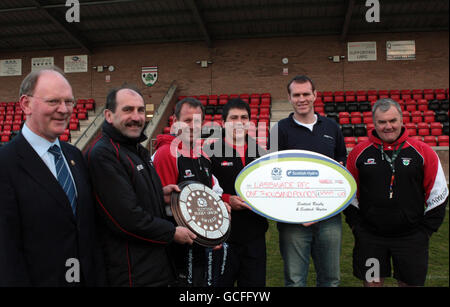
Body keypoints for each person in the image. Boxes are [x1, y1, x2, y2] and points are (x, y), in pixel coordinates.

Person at [0, 68, 105, 286]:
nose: (64, 110)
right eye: (53, 101)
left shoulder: (74, 155)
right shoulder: (6, 163)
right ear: (25, 104)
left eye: (69, 101)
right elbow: (6, 251)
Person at [85, 86, 196, 287]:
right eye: (128, 110)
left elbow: (130, 195)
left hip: (154, 266)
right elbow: (126, 218)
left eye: (141, 110)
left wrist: (158, 194)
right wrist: (171, 232)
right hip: (131, 273)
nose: (136, 117)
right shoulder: (103, 154)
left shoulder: (137, 150)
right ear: (109, 115)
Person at [344, 98, 448, 287]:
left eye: (392, 121)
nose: (388, 126)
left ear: (401, 120)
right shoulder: (358, 153)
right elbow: (349, 194)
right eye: (382, 122)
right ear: (373, 123)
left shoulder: (423, 151)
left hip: (411, 238)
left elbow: (439, 193)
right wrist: (357, 227)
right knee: (372, 283)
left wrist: (425, 231)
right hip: (371, 238)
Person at [272, 75, 347, 287]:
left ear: (315, 95)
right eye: (296, 95)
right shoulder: (280, 130)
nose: (302, 98)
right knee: (295, 281)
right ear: (289, 98)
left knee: (331, 280)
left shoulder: (331, 127)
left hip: (328, 216)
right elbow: (273, 174)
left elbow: (341, 158)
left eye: (306, 94)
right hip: (293, 220)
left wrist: (339, 169)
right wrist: (294, 212)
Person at [152, 97, 227, 287]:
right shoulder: (165, 154)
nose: (192, 126)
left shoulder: (202, 154)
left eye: (197, 121)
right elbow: (159, 206)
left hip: (202, 244)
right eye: (187, 121)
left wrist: (214, 231)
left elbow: (213, 193)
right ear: (175, 121)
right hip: (178, 249)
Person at [206, 98, 269, 287]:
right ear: (224, 123)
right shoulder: (209, 152)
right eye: (234, 118)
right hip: (223, 237)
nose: (239, 122)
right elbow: (203, 191)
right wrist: (227, 199)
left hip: (255, 236)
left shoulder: (262, 153)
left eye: (244, 117)